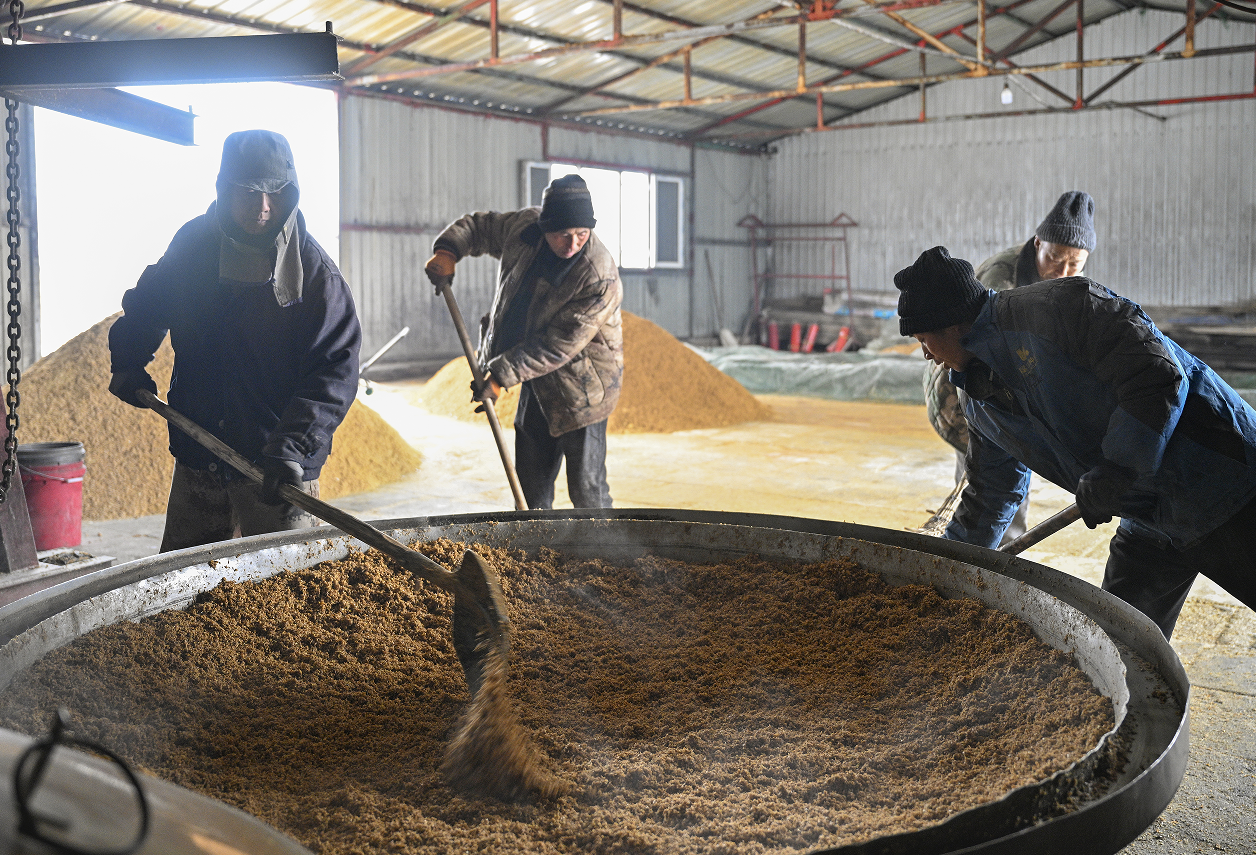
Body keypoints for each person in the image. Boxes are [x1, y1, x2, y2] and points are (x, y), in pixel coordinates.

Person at [896, 245, 1256, 639]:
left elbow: (1155, 374)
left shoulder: (1063, 306)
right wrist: (945, 567)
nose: (926, 355)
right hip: (1150, 518)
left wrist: (1118, 467)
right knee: (1119, 647)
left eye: (923, 339)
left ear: (952, 325)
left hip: (1225, 481)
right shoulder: (978, 400)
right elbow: (991, 492)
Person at [108, 129, 361, 552]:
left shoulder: (314, 274)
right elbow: (150, 303)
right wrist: (128, 360)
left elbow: (335, 369)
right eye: (247, 191)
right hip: (199, 452)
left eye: (275, 192)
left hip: (274, 468)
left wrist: (293, 447)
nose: (263, 207)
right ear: (224, 190)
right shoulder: (193, 247)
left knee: (284, 584)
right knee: (183, 581)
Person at [423, 174, 623, 510]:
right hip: (537, 381)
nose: (573, 244)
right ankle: (535, 543)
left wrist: (500, 376)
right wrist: (448, 250)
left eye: (582, 233)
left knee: (587, 493)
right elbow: (479, 227)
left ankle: (602, 544)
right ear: (545, 228)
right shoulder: (524, 229)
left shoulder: (598, 276)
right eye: (562, 234)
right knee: (531, 488)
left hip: (583, 391)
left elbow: (557, 345)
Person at [924, 191, 1097, 542]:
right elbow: (980, 353)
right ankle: (997, 554)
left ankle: (993, 550)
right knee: (990, 480)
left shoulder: (1066, 283)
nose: (1064, 272)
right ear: (1038, 244)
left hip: (1002, 391)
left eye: (1075, 264)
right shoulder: (1001, 282)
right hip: (964, 390)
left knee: (996, 478)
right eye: (1055, 259)